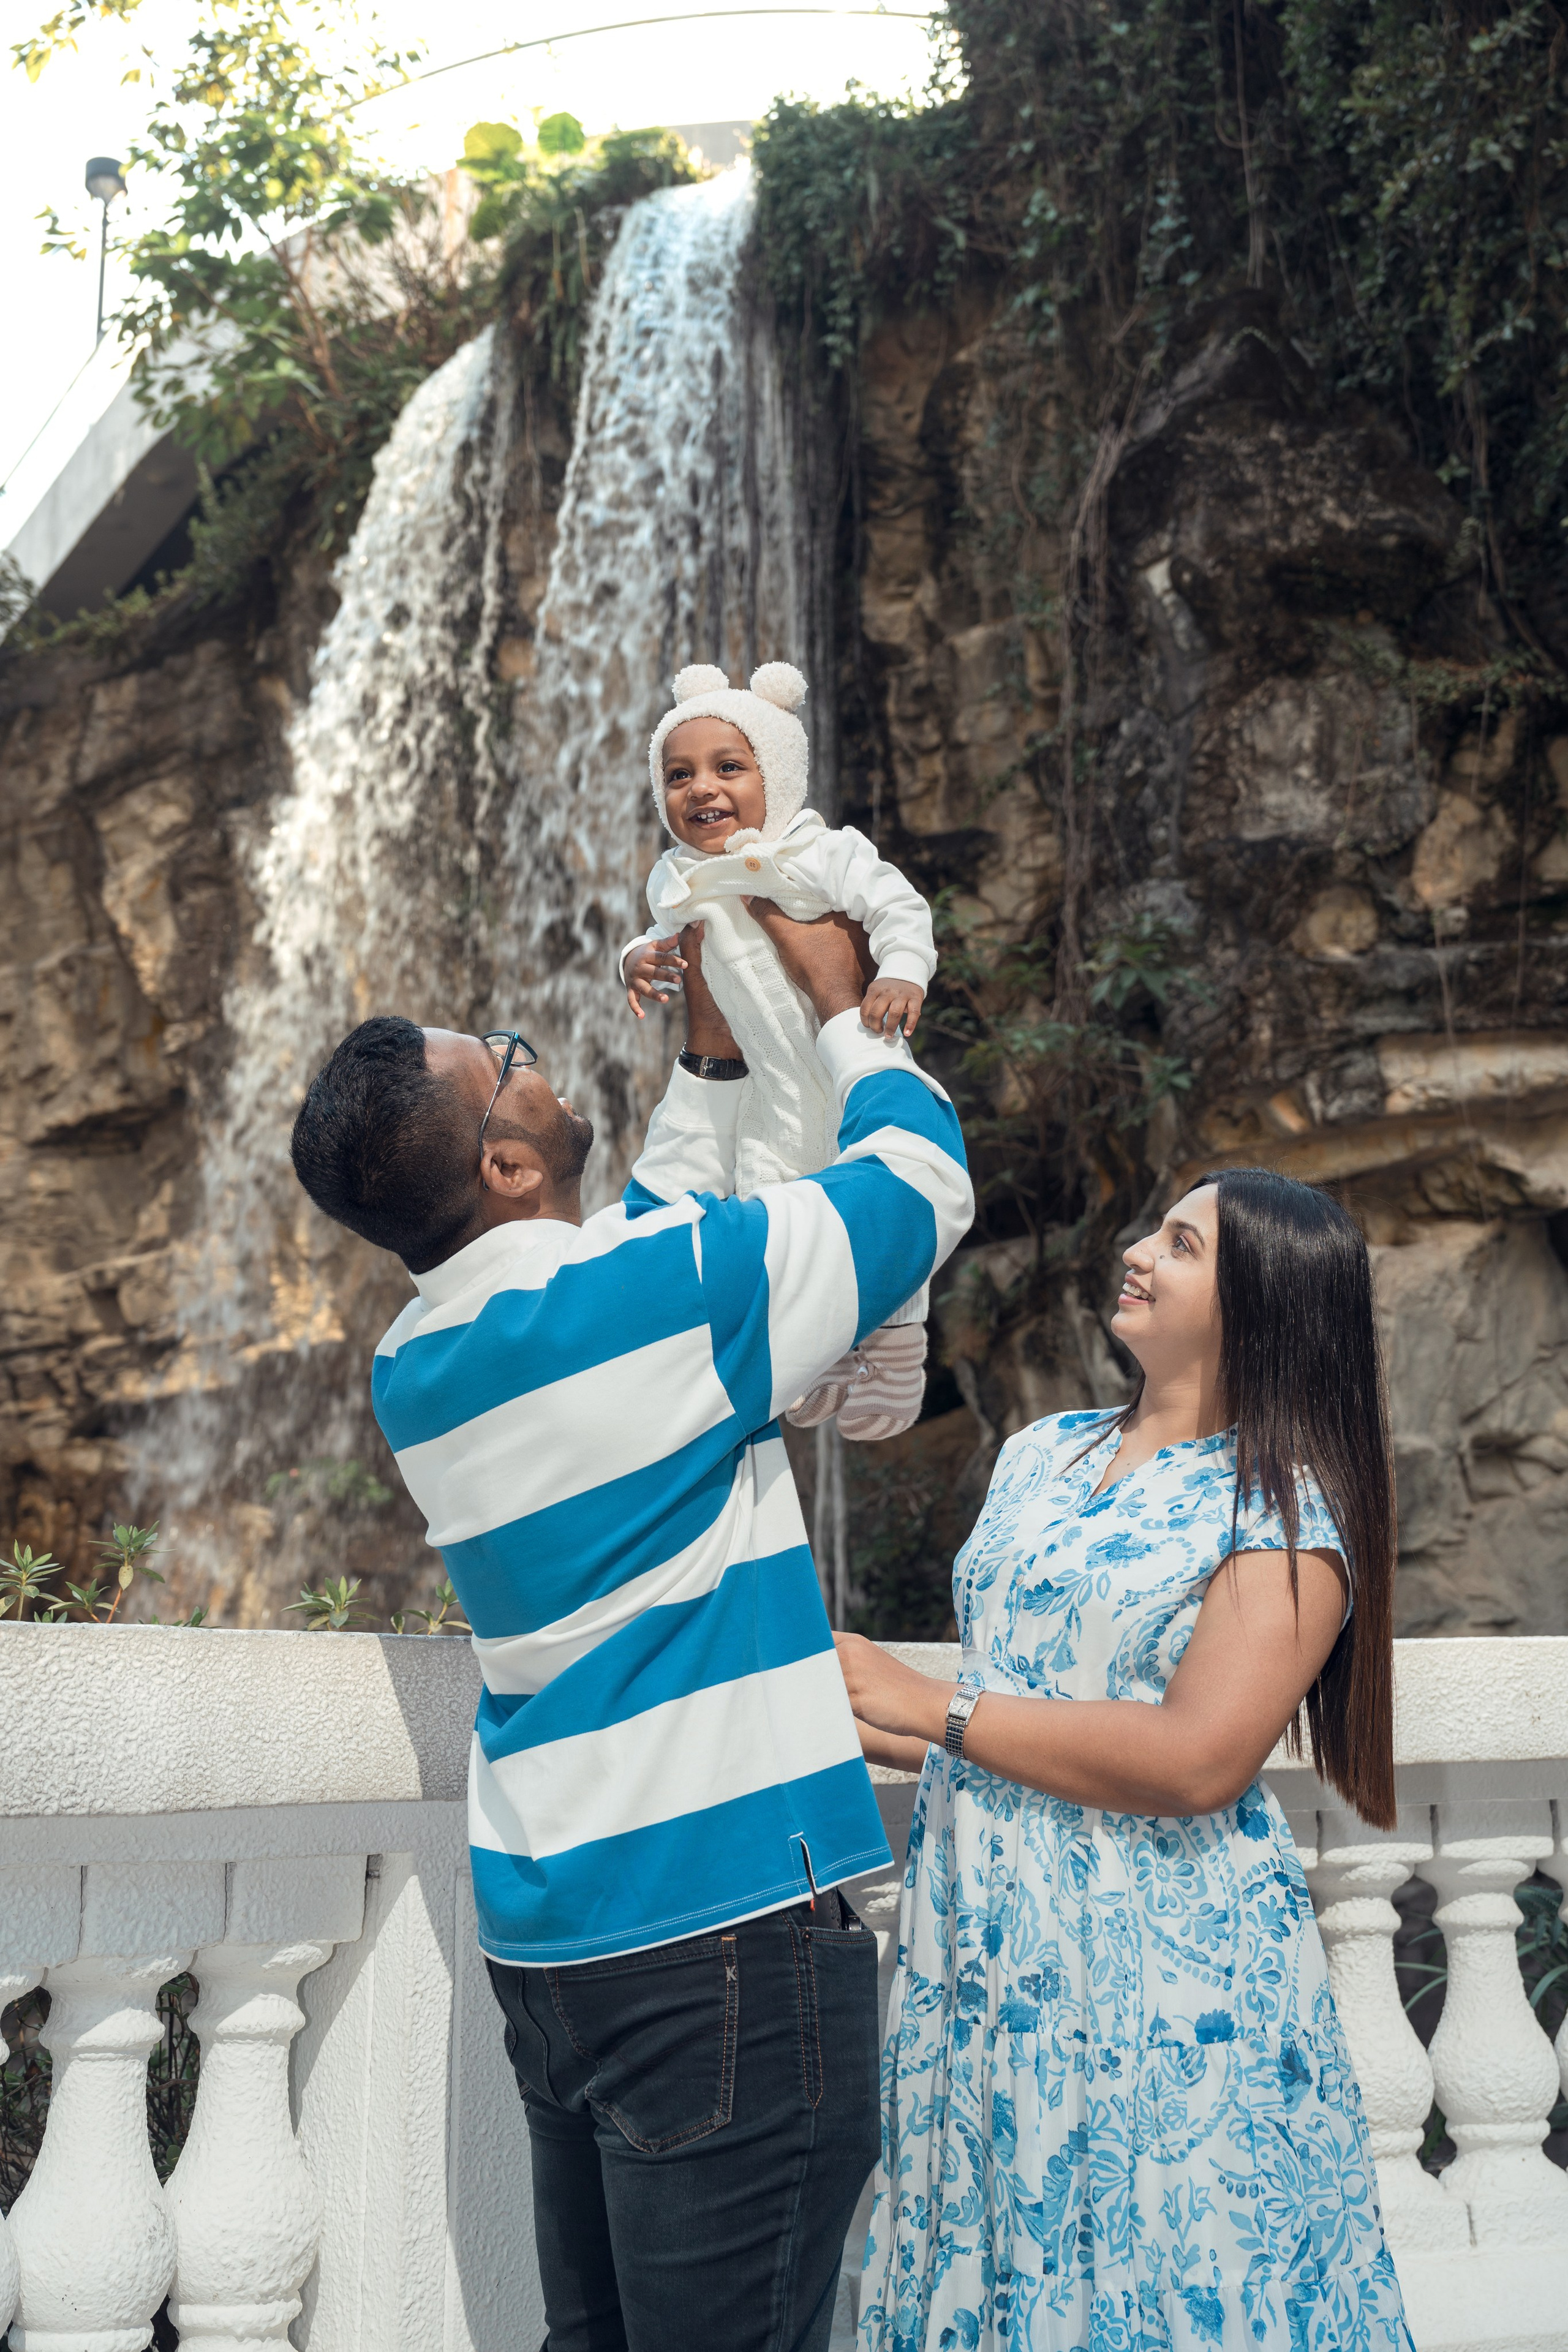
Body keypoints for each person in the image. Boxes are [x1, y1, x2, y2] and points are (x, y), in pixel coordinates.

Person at [288, 905, 973, 2352]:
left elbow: (642, 1242)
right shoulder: (651, 1297)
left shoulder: (419, 1363)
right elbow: (913, 1186)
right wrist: (850, 1010)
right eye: (511, 1062)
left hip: (561, 1943)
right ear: (509, 1161)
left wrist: (713, 1065)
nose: (536, 1057)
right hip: (720, 1929)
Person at [835, 1168, 1414, 2351]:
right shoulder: (1040, 1453)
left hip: (1157, 1966)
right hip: (987, 1941)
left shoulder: (1288, 1512)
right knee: (994, 2252)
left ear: (1263, 1308)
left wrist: (930, 1708)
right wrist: (847, 1707)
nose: (1141, 1252)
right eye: (1157, 1227)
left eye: (1186, 1245)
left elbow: (1201, 1757)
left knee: (1167, 2270)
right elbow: (1014, 1680)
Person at [618, 662, 938, 1442]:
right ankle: (821, 1347)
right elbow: (661, 934)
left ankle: (895, 1353)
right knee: (777, 1207)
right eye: (679, 775)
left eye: (729, 767)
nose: (702, 788)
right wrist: (634, 958)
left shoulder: (819, 849)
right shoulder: (676, 876)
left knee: (880, 1193)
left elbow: (897, 904)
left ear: (780, 774)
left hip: (844, 1062)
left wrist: (900, 971)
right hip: (765, 1090)